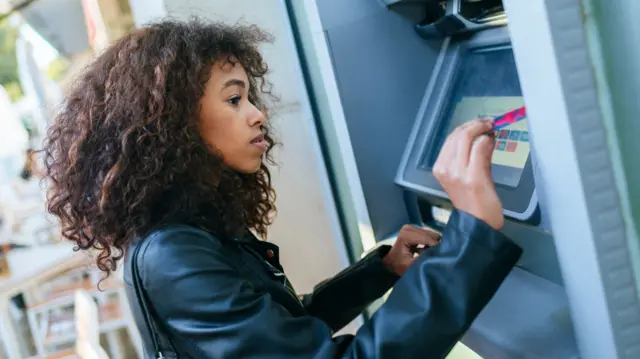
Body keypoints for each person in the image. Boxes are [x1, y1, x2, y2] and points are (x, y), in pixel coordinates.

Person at [42, 20, 522, 358]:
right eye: (234, 99)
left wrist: (381, 271)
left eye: (249, 96)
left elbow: (281, 333)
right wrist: (474, 233)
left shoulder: (193, 226)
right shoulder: (174, 255)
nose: (257, 113)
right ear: (170, 124)